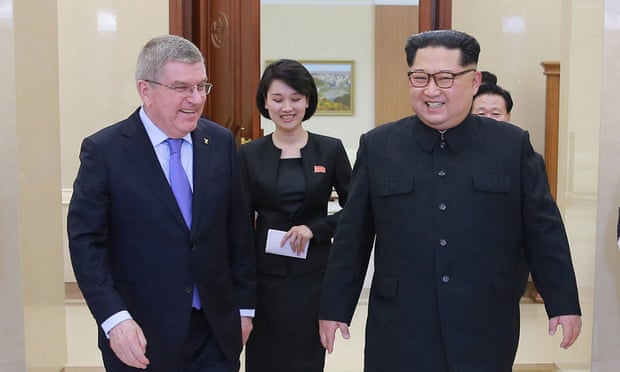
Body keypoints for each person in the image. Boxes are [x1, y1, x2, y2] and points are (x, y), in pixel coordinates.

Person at [318, 29, 582, 371]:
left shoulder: (511, 146)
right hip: (400, 321)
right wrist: (335, 308)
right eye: (419, 77)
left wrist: (563, 301)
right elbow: (353, 236)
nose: (431, 90)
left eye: (445, 78)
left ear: (474, 81)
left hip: (485, 320)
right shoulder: (379, 146)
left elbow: (543, 230)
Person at [67, 34, 255, 371]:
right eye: (182, 87)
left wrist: (244, 309)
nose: (195, 99)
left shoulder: (220, 142)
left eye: (201, 86)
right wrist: (114, 319)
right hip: (139, 336)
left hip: (215, 333)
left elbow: (238, 230)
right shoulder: (105, 151)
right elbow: (87, 244)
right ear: (145, 90)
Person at [239, 59, 352, 372]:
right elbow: (239, 225)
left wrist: (316, 228)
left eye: (295, 98)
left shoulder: (329, 150)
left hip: (313, 279)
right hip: (264, 281)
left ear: (308, 100)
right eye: (277, 99)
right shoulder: (249, 154)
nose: (286, 107)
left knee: (306, 360)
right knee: (263, 360)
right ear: (265, 102)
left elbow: (357, 211)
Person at [472, 72, 546, 303]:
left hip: (505, 274)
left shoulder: (525, 157)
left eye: (496, 114)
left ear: (509, 116)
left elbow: (539, 222)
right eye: (481, 113)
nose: (489, 119)